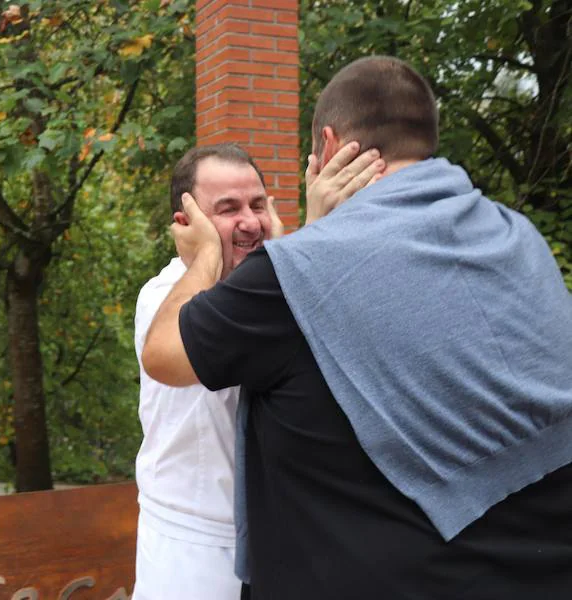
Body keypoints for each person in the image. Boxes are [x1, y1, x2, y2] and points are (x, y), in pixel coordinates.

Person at [141, 56, 572, 599]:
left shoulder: (294, 276)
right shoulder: (519, 239)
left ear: (328, 144)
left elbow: (163, 352)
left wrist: (206, 255)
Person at [133, 143, 382, 599]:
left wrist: (301, 241)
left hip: (278, 543)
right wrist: (210, 254)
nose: (250, 221)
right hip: (193, 552)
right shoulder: (163, 296)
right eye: (227, 209)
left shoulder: (272, 286)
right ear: (187, 224)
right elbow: (240, 324)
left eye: (258, 204)